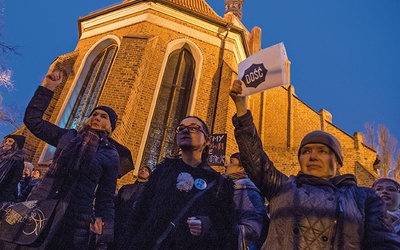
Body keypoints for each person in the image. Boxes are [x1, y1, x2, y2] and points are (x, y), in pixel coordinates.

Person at [229, 79, 400, 249]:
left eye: (322, 151)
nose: (312, 156)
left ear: (338, 161)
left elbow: (384, 243)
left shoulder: (363, 198)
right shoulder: (283, 187)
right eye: (305, 151)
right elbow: (255, 158)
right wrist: (241, 108)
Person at [22, 69, 120, 249]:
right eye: (94, 114)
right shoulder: (68, 136)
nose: (97, 117)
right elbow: (33, 121)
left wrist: (104, 226)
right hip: (42, 205)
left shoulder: (110, 154)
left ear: (111, 125)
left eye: (103, 116)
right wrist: (48, 88)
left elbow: (106, 195)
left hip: (75, 217)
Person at [121, 116, 235, 250]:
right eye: (181, 129)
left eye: (193, 128)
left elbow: (226, 230)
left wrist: (207, 226)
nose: (185, 131)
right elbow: (140, 214)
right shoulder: (162, 172)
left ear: (207, 141)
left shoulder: (218, 183)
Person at [225, 152, 269, 250]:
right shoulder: (233, 186)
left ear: (242, 168)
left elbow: (253, 228)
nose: (226, 165)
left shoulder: (245, 189)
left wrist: (222, 229)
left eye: (231, 162)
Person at [112, 166, 152, 249]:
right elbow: (116, 204)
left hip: (133, 229)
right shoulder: (126, 188)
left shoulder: (149, 193)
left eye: (146, 170)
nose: (143, 171)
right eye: (141, 169)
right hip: (118, 225)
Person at [0, 134, 25, 203]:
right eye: (6, 141)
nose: (6, 143)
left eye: (10, 141)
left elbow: (12, 184)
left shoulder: (17, 162)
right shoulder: (1, 158)